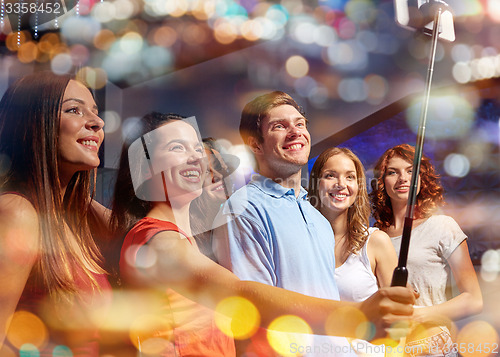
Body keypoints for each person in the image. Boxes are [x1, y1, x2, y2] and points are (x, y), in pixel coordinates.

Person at [109, 111, 416, 356]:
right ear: (144, 167)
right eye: (177, 147)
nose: (195, 157)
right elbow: (240, 294)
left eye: (196, 147)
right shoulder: (156, 239)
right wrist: (357, 315)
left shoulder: (182, 238)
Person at [211, 91, 408, 355]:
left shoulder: (316, 215)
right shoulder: (243, 207)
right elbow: (252, 309)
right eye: (279, 126)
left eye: (300, 123)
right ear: (255, 145)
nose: (295, 132)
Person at [0, 71, 111, 356]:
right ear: (35, 124)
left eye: (96, 113)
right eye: (74, 110)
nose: (97, 122)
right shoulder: (18, 213)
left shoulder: (74, 218)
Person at [370, 144, 483, 356]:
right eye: (393, 172)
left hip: (432, 345)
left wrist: (418, 315)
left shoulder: (442, 226)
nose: (403, 178)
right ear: (382, 182)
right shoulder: (374, 236)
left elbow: (474, 299)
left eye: (411, 171)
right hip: (388, 349)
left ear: (422, 178)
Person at [308, 147, 398, 302]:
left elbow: (398, 313)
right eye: (330, 176)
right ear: (316, 184)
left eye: (350, 177)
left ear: (358, 186)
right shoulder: (302, 243)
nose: (341, 184)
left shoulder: (376, 242)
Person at [190, 138, 238, 261]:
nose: (217, 175)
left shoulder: (243, 216)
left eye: (219, 166)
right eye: (205, 172)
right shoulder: (191, 240)